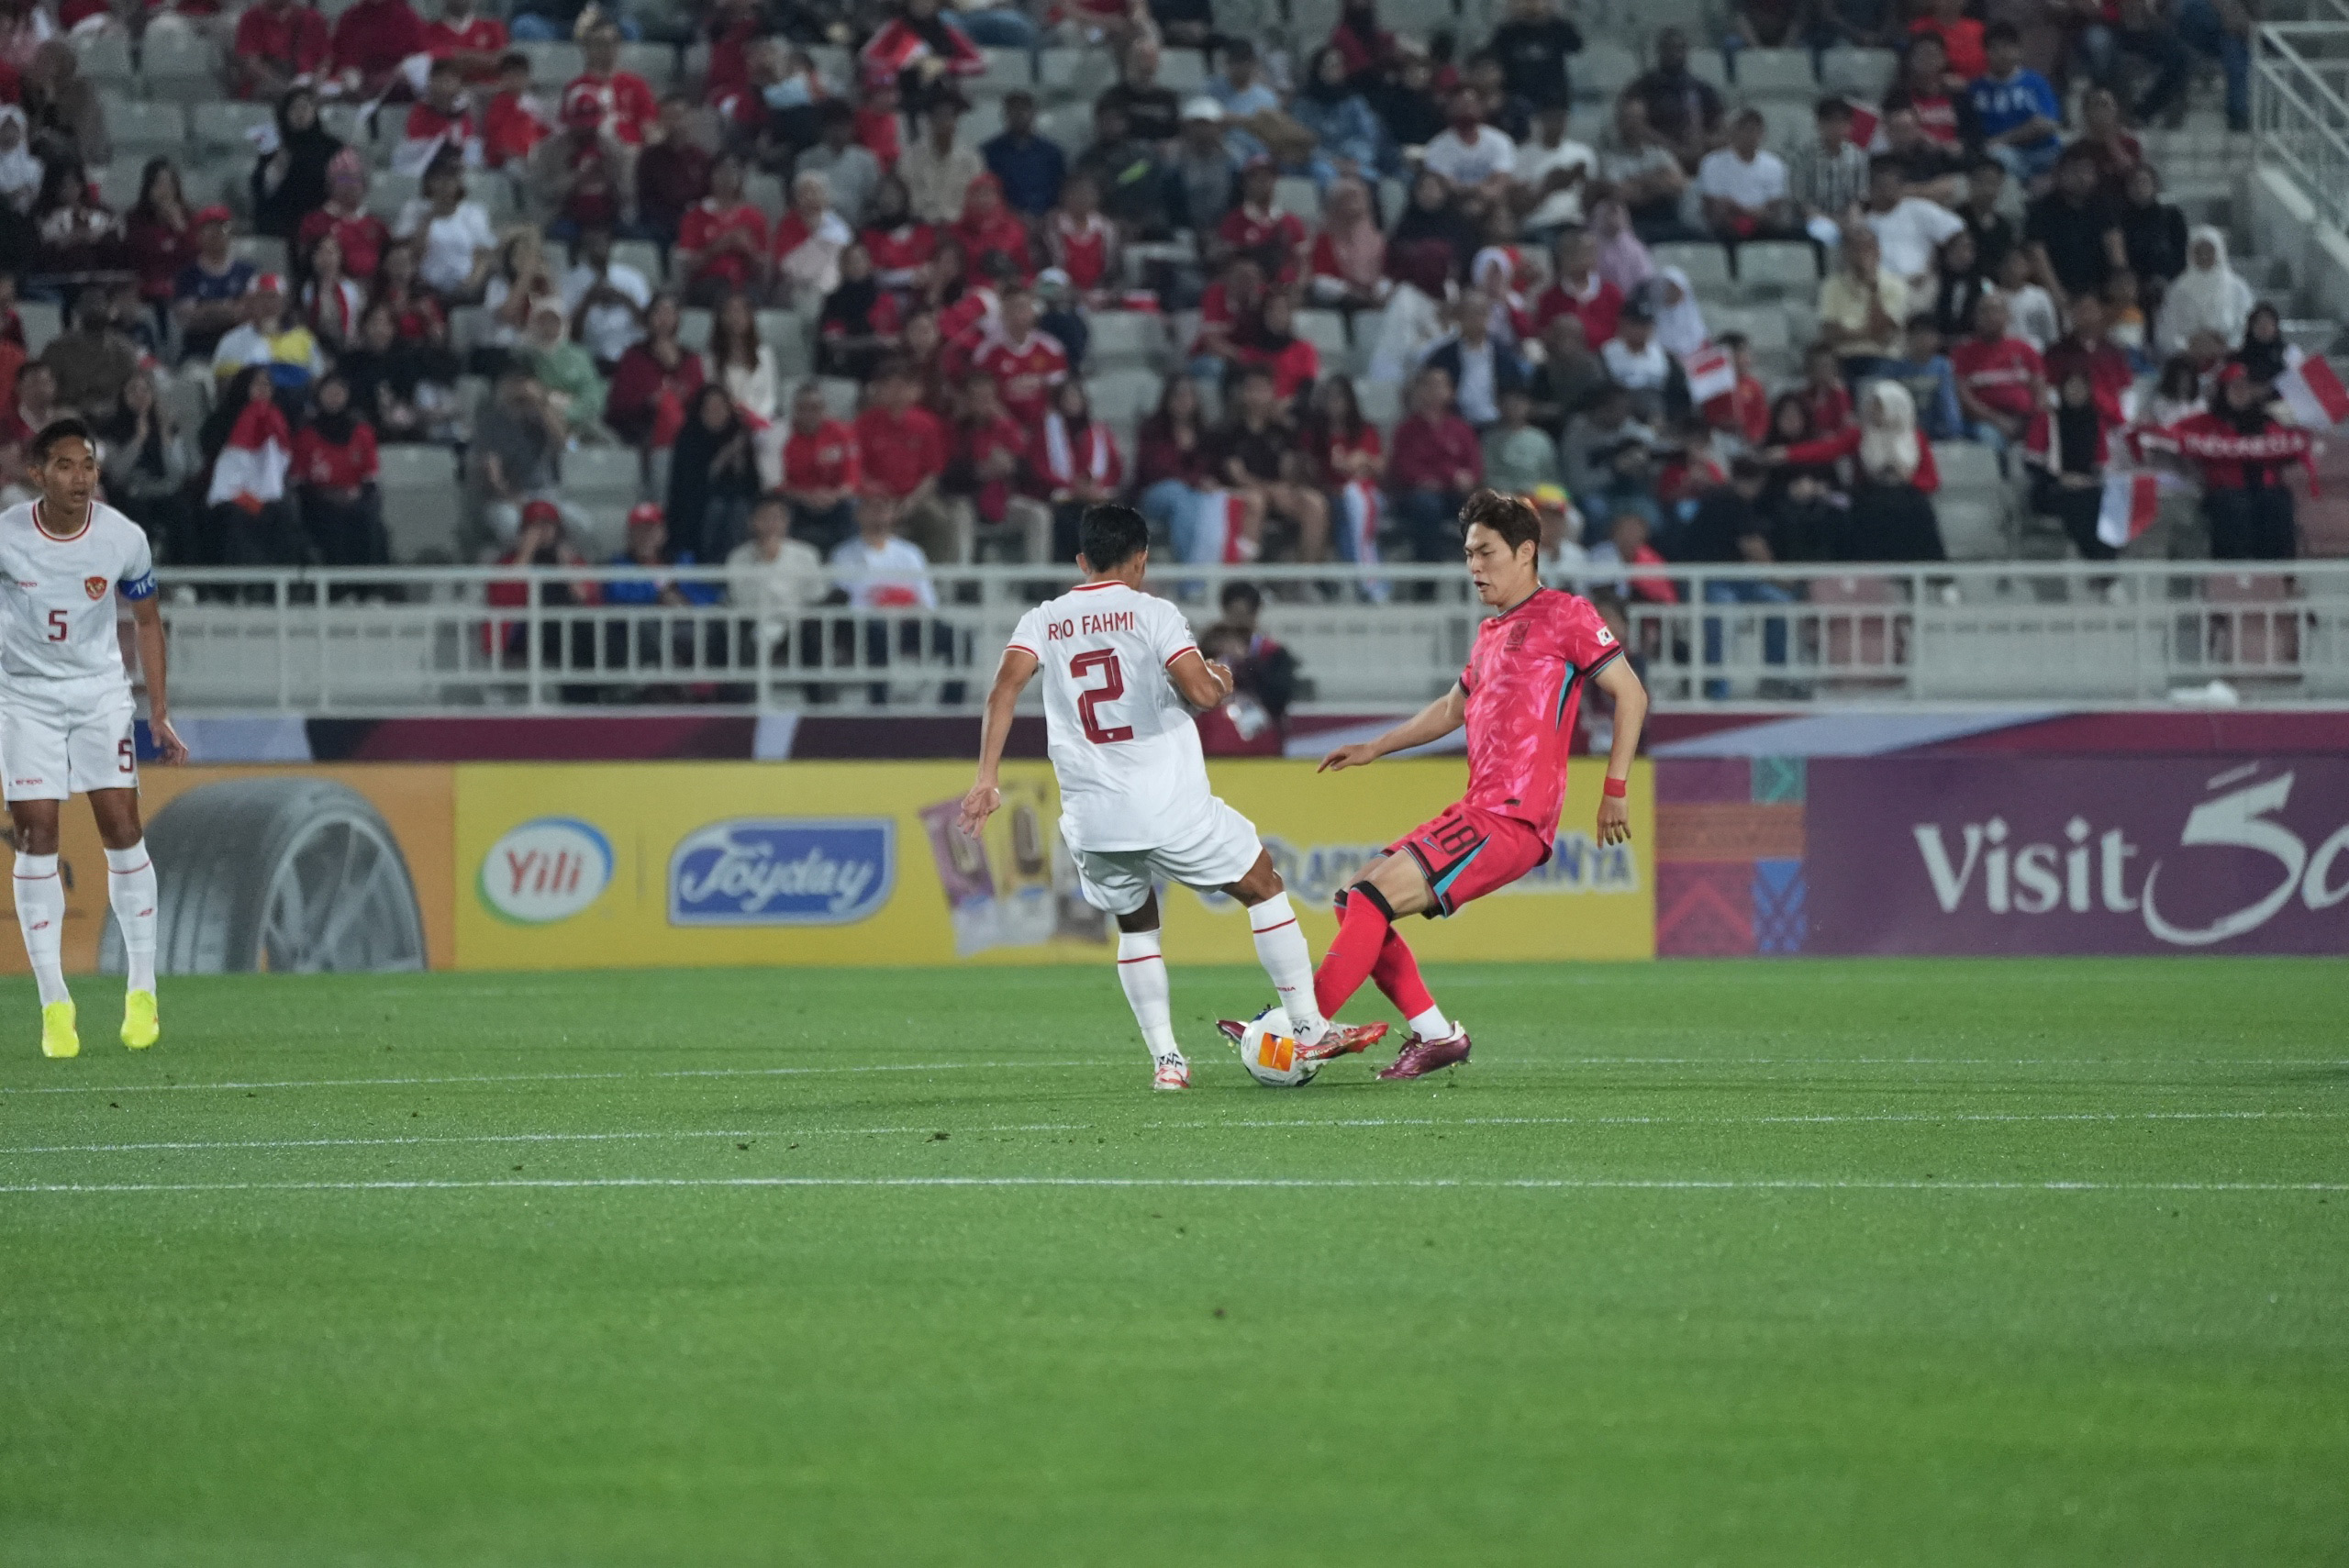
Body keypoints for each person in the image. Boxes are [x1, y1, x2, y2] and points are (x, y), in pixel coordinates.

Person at [959, 504, 1386, 1091]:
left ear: (1082, 561)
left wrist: (986, 778)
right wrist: (1220, 678)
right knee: (1263, 885)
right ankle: (1310, 1027)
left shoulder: (1044, 619)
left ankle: (1168, 1063)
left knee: (1137, 927)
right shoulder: (1152, 612)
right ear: (1141, 560)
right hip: (1166, 806)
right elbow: (1202, 695)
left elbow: (1003, 691)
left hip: (1093, 819)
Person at [1300, 490, 1645, 1078]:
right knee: (1353, 897)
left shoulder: (1568, 614)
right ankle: (1435, 1035)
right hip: (1481, 808)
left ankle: (1300, 1027)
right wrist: (1376, 747)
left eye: (1485, 552)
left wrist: (1614, 789)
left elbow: (1631, 695)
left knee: (1368, 898)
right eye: (1468, 553)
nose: (1473, 567)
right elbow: (1452, 708)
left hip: (1513, 816)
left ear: (1526, 551)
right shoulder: (1490, 633)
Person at [0, 417, 188, 1058]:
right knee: (36, 833)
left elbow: (148, 621)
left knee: (121, 824)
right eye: (66, 465)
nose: (80, 477)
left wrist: (157, 709)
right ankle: (55, 1002)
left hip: (99, 694)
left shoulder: (122, 538)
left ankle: (142, 989)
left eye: (88, 465)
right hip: (24, 698)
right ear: (37, 473)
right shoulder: (7, 537)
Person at [2168, 363, 2310, 560]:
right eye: (2235, 387)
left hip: (2267, 491)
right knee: (2234, 506)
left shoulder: (2268, 422)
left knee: (2277, 504)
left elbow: (2290, 451)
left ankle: (2280, 574)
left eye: (2246, 387)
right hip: (2224, 492)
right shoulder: (2204, 423)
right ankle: (2233, 576)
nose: (2241, 393)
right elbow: (2172, 438)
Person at [293, 371, 389, 568]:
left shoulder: (362, 432)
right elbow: (299, 481)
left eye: (340, 392)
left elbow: (370, 477)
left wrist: (355, 495)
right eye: (330, 392)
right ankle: (338, 591)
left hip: (356, 499)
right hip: (317, 502)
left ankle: (369, 589)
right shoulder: (306, 434)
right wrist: (327, 495)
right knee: (331, 523)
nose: (335, 397)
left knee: (367, 521)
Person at [1386, 366, 1483, 560]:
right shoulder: (1407, 430)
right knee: (1426, 505)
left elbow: (1474, 468)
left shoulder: (1462, 430)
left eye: (1440, 385)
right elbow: (1403, 467)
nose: (1434, 391)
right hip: (1416, 495)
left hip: (1455, 494)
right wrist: (1447, 476)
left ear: (1451, 392)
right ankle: (1427, 581)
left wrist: (1465, 479)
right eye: (1429, 385)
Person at [666, 384, 763, 562]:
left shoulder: (739, 435)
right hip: (698, 504)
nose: (716, 413)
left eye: (720, 407)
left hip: (736, 501)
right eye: (710, 408)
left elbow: (753, 484)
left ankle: (736, 563)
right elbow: (687, 485)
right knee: (717, 509)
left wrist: (739, 464)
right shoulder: (689, 438)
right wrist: (721, 460)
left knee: (739, 510)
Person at [2024, 148, 2121, 309]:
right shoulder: (2041, 209)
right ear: (2060, 173)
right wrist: (2056, 292)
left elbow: (2115, 246)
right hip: (2058, 291)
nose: (2081, 178)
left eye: (2087, 171)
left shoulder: (2103, 206)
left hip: (2100, 292)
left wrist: (2119, 285)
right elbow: (2037, 253)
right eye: (2075, 171)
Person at [606, 292, 703, 450]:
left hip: (685, 429)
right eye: (658, 312)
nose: (664, 319)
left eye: (669, 313)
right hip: (642, 428)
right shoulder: (633, 357)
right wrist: (649, 401)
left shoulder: (690, 360)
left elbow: (700, 400)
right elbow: (619, 403)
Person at [1949, 292, 2045, 453]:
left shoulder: (2025, 350)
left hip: (2025, 418)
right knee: (1990, 438)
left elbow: (2040, 391)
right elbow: (1964, 398)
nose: (1991, 316)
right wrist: (1997, 420)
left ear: (2008, 315)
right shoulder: (1963, 353)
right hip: (1984, 422)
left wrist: (2032, 419)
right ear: (1976, 317)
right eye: (1985, 311)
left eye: (1996, 310)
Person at [1967, 23, 2063, 186]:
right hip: (2005, 159)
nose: (2002, 54)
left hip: (2045, 153)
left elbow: (2046, 124)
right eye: (1995, 49)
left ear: (2018, 50)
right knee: (1995, 156)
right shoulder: (1976, 89)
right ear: (1986, 53)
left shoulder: (2036, 82)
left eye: (2008, 47)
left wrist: (2002, 139)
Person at [1818, 222, 1906, 383]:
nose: (1860, 254)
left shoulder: (1895, 285)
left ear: (1878, 251)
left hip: (1882, 358)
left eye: (1866, 248)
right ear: (1845, 252)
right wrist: (1867, 333)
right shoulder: (1832, 286)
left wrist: (1873, 289)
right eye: (1855, 248)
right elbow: (1830, 333)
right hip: (1843, 359)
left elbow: (1884, 335)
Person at [1625, 28, 1723, 171]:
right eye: (1669, 48)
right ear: (1660, 51)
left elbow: (1721, 129)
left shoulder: (1703, 89)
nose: (1674, 54)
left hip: (1700, 157)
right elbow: (1634, 126)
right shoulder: (1643, 87)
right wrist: (1673, 149)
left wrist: (1702, 142)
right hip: (1655, 158)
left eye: (1679, 48)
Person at [778, 381, 860, 550]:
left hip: (835, 499)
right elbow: (778, 485)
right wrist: (806, 496)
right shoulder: (782, 436)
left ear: (824, 409)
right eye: (803, 408)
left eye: (815, 408)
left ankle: (848, 562)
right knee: (778, 509)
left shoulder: (843, 433)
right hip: (798, 500)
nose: (809, 413)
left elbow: (851, 478)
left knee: (854, 507)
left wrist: (835, 495)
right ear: (795, 409)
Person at [561, 225, 651, 370]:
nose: (598, 247)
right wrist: (587, 301)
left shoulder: (633, 277)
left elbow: (649, 325)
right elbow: (568, 334)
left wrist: (623, 298)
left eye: (603, 242)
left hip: (630, 356)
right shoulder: (571, 280)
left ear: (611, 244)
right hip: (590, 358)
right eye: (593, 243)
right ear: (585, 246)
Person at [2154, 225, 2251, 358]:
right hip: (2187, 360)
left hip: (2227, 358)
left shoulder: (2237, 288)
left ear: (2219, 252)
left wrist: (2224, 347)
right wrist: (2188, 347)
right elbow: (2166, 330)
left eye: (2209, 251)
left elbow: (2245, 324)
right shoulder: (2178, 289)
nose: (2204, 256)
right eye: (2199, 251)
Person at [1696, 108, 1792, 242]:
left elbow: (1774, 208)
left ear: (1762, 133)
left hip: (1764, 228)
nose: (1749, 134)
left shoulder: (1774, 164)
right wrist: (1745, 213)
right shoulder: (1712, 162)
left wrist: (1744, 210)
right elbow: (1714, 208)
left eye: (1754, 129)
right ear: (1733, 132)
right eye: (1743, 129)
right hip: (1725, 229)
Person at [1421, 86, 1516, 199]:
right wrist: (1473, 191)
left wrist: (1484, 192)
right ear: (1450, 109)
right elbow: (1447, 185)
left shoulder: (1500, 140)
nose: (1466, 110)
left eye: (1470, 105)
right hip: (1453, 203)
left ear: (1480, 107)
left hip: (1491, 201)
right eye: (1460, 106)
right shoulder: (1438, 146)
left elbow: (1501, 180)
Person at [984, 90, 1066, 219]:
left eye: (1024, 109)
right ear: (1005, 115)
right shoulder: (990, 152)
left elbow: (1061, 191)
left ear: (1034, 114)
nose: (1019, 115)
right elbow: (987, 191)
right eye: (1013, 110)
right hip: (1003, 222)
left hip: (1047, 222)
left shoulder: (1052, 153)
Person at [232, 0, 332, 102]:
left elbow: (325, 61)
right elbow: (252, 64)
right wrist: (286, 89)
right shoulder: (251, 18)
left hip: (307, 90)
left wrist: (315, 84)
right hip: (266, 91)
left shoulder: (313, 19)